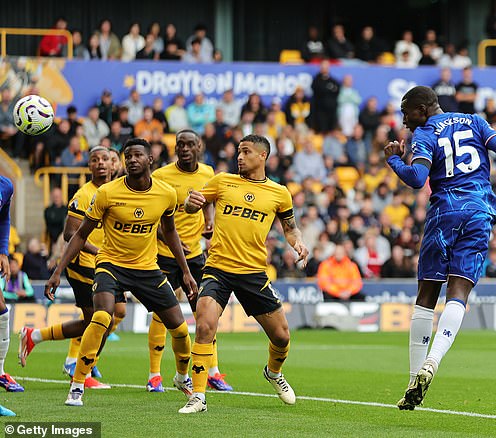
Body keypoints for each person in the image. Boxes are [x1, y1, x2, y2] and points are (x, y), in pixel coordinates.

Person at [384, 85, 496, 410]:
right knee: (459, 293)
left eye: (406, 111)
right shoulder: (474, 121)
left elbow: (415, 178)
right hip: (480, 212)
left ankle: (413, 378)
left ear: (423, 109)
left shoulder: (424, 134)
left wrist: (395, 160)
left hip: (445, 213)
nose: (404, 118)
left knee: (426, 297)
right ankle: (433, 361)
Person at [44, 138, 197, 407]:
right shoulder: (107, 193)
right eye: (128, 156)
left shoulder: (166, 193)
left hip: (147, 268)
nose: (132, 160)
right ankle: (77, 384)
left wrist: (185, 271)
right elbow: (79, 235)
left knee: (181, 330)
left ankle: (182, 377)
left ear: (150, 160)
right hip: (110, 265)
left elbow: (170, 232)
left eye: (138, 155)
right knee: (102, 316)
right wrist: (58, 271)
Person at [179, 134, 309, 413]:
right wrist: (191, 203)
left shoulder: (279, 192)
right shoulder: (222, 181)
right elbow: (194, 205)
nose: (239, 156)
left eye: (246, 151)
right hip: (218, 268)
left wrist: (297, 241)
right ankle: (198, 396)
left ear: (262, 156)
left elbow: (289, 228)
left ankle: (273, 373)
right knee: (204, 326)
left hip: (253, 273)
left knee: (282, 337)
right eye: (238, 151)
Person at [19, 147, 121, 388]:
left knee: (99, 321)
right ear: (89, 166)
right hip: (83, 265)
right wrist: (98, 252)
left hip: (105, 265)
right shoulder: (84, 195)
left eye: (105, 159)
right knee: (101, 321)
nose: (101, 164)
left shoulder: (115, 192)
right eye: (95, 160)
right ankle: (82, 373)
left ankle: (35, 336)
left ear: (114, 164)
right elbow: (69, 233)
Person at [147, 129, 232, 392]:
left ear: (199, 147)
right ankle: (154, 375)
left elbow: (208, 200)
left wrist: (209, 221)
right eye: (179, 144)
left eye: (189, 144)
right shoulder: (161, 176)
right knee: (162, 314)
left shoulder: (208, 173)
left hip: (195, 254)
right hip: (165, 254)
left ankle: (213, 372)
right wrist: (168, 239)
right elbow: (152, 215)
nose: (183, 149)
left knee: (205, 314)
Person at [0, 176, 24, 399]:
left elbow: (4, 219)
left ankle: (0, 371)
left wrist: (3, 252)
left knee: (1, 310)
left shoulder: (5, 186)